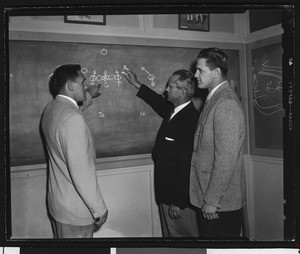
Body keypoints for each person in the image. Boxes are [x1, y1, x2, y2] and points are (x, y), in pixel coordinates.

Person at [123, 68, 202, 237]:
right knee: (171, 239)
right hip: (167, 193)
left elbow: (186, 164)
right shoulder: (175, 110)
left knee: (184, 241)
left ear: (182, 92)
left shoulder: (189, 120)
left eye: (170, 86)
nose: (166, 89)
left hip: (178, 200)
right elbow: (158, 102)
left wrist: (177, 202)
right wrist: (137, 84)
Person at [41, 64, 108, 238]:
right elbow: (81, 172)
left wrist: (88, 96)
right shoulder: (73, 119)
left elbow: (71, 112)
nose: (85, 86)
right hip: (76, 211)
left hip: (60, 203)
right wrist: (98, 208)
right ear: (70, 86)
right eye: (82, 82)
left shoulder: (51, 109)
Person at [190, 47, 246, 238]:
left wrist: (212, 200)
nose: (195, 74)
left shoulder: (225, 104)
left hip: (219, 205)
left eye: (200, 70)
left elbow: (226, 159)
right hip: (211, 199)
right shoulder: (214, 98)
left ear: (216, 72)